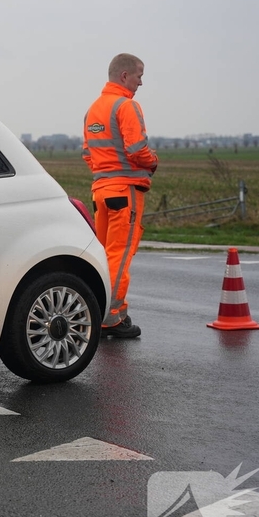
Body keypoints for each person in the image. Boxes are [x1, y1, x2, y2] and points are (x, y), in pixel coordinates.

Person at [82, 53, 158, 339]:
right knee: (120, 256)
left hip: (101, 192)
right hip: (126, 192)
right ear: (124, 76)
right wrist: (153, 161)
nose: (141, 82)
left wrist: (105, 172)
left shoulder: (93, 110)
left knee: (101, 255)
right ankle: (111, 318)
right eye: (139, 75)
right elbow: (138, 149)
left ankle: (96, 311)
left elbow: (88, 153)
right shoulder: (127, 106)